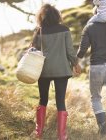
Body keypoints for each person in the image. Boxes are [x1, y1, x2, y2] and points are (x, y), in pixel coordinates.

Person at [31, 4, 81, 139]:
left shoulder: (39, 30)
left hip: (44, 70)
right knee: (60, 101)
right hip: (61, 70)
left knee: (43, 100)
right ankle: (62, 136)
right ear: (57, 16)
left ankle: (38, 133)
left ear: (42, 16)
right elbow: (70, 50)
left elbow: (33, 51)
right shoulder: (64, 29)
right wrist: (76, 64)